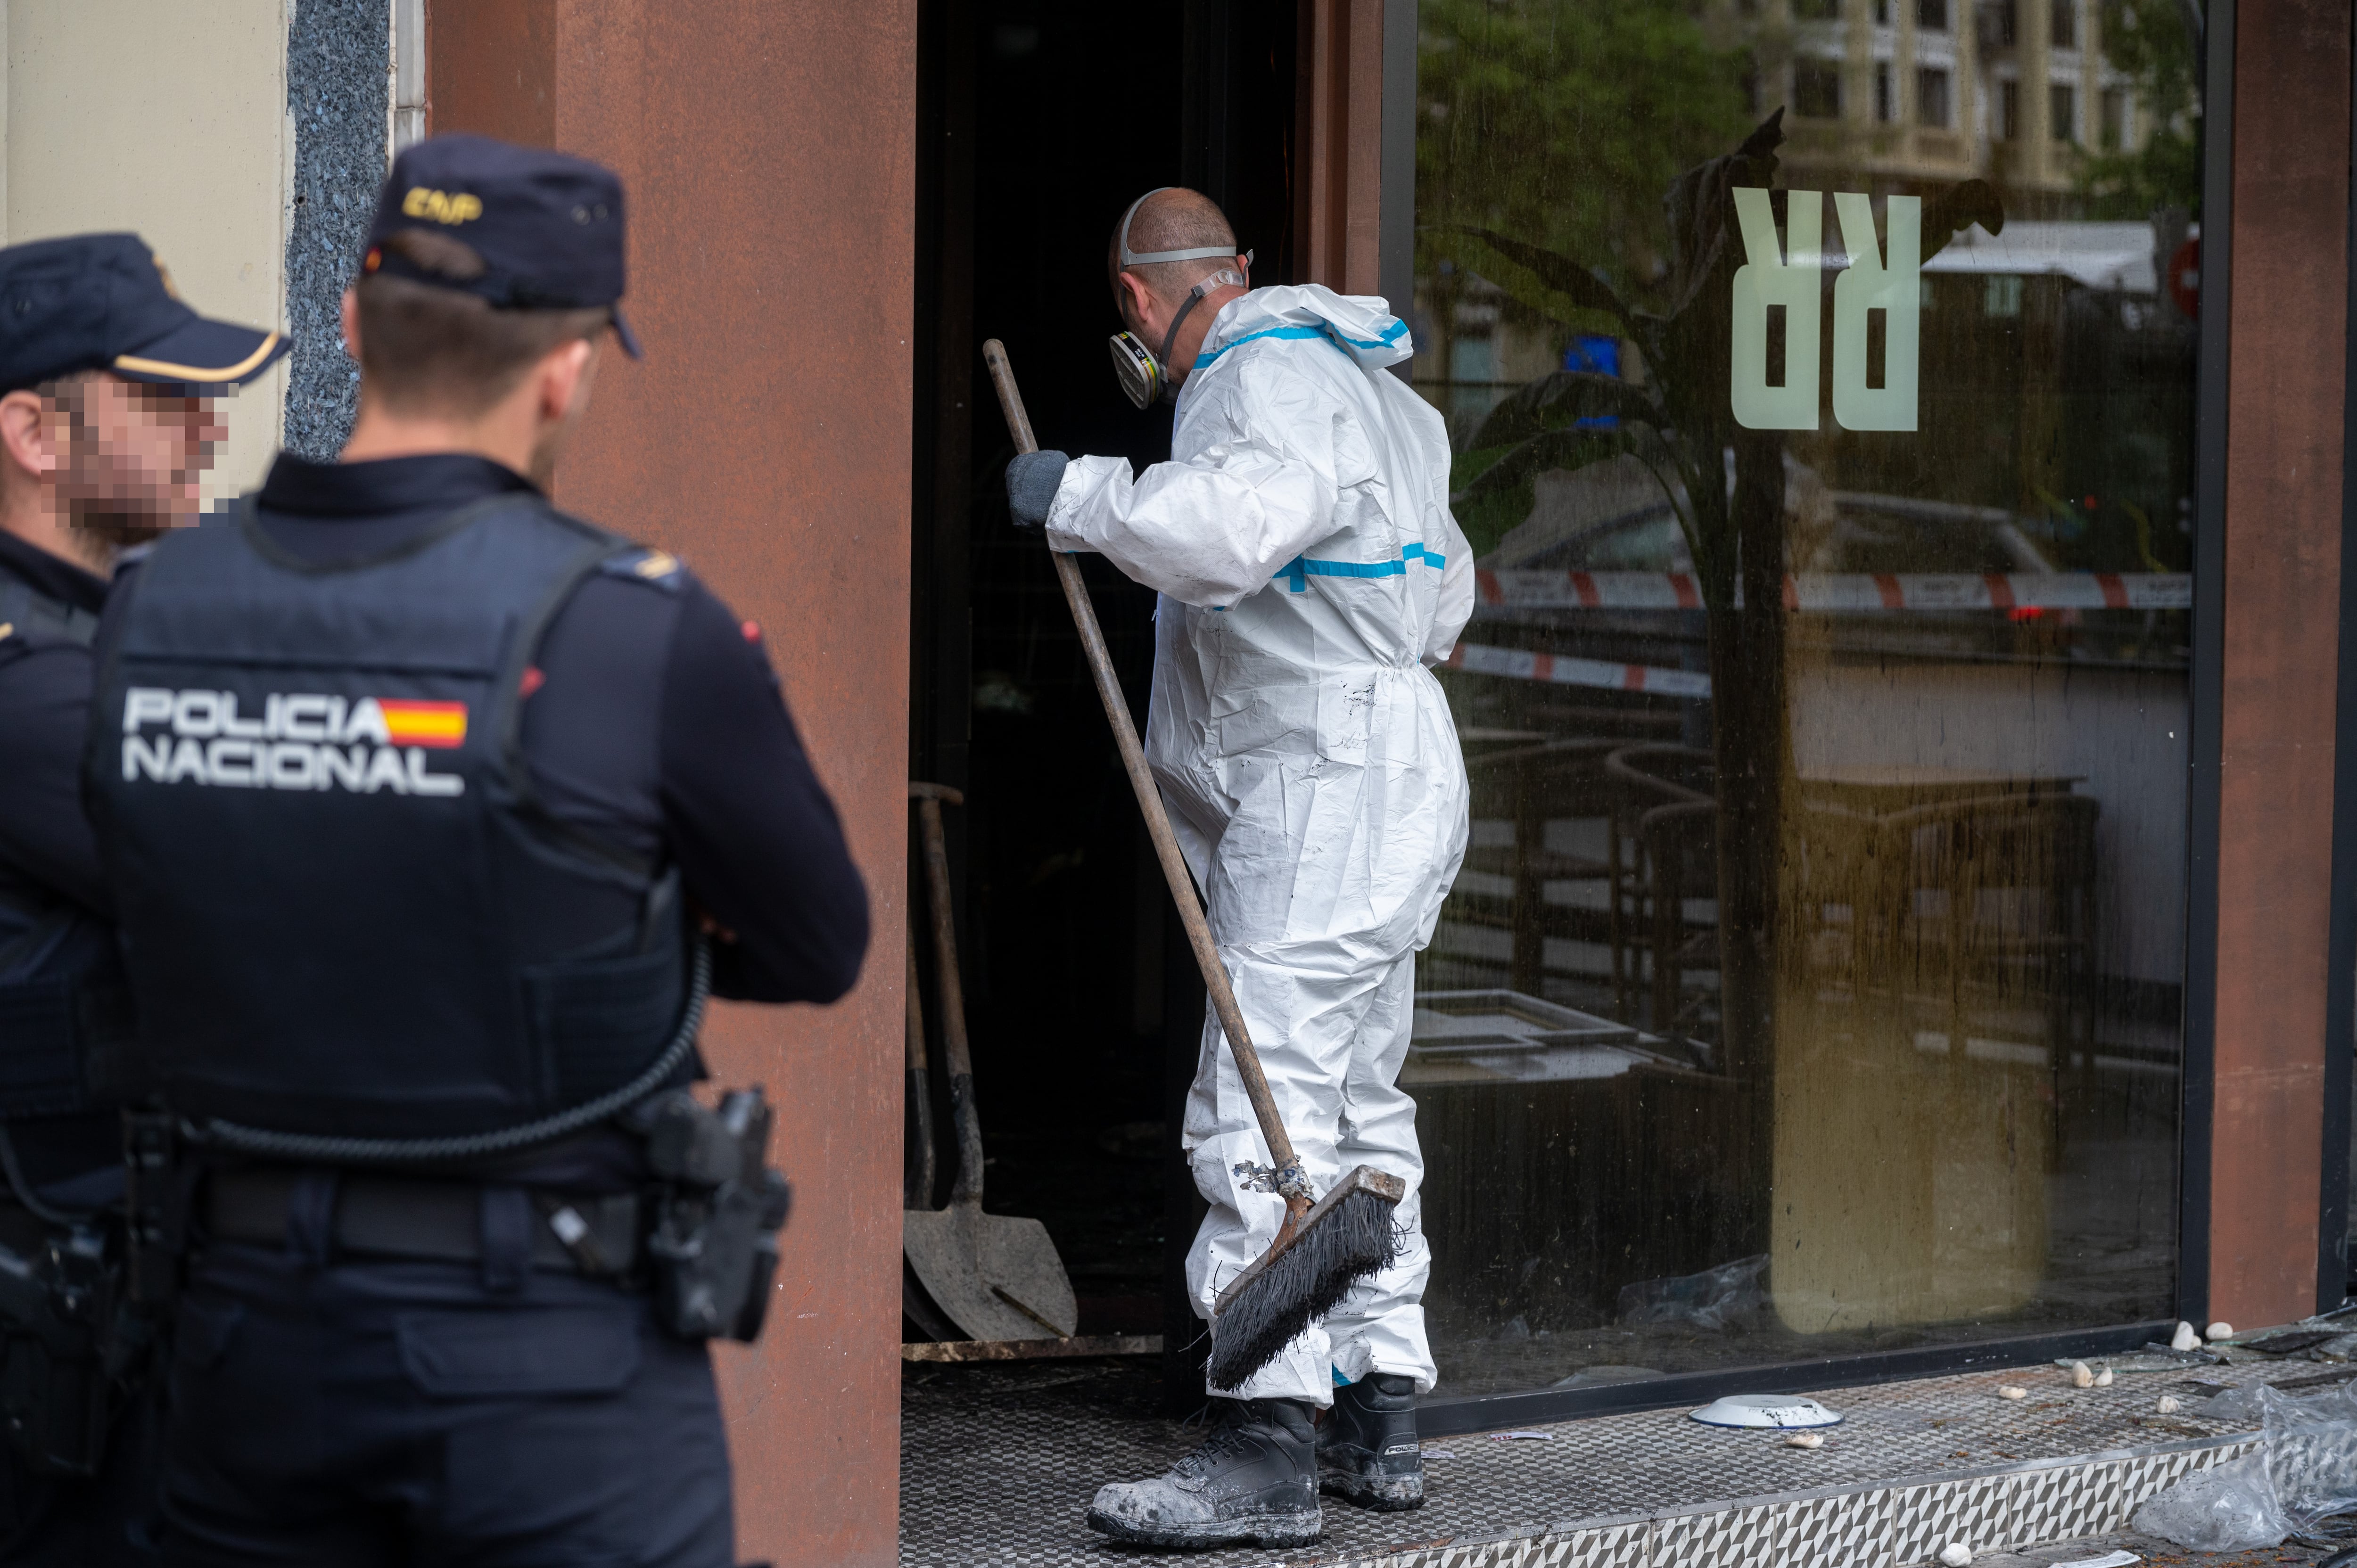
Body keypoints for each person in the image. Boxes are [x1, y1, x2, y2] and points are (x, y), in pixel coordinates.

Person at [82, 133, 869, 1566]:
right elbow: (820, 947)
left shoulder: (148, 611)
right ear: (568, 367)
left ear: (350, 325)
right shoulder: (634, 630)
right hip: (546, 1358)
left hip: (236, 1342)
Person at [1005, 187, 1471, 1549]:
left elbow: (1225, 538)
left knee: (1254, 1104)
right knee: (1356, 1101)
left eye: (1125, 315)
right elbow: (1449, 597)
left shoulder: (1256, 375)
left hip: (1327, 788)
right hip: (1392, 765)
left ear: (1145, 302)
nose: (1133, 340)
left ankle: (1263, 1438)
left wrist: (1081, 493)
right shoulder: (1385, 399)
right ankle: (1380, 1403)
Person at [0, 232, 287, 1564]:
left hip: (106, 1287)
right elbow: (258, 890)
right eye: (165, 399)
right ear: (34, 434)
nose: (208, 430)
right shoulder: (22, 686)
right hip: (43, 1313)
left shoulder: (96, 629)